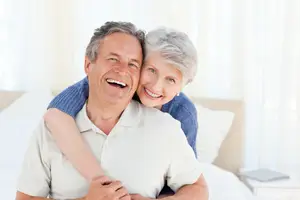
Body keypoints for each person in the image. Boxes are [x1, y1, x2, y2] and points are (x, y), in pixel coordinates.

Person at [16, 21, 208, 200]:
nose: (156, 87)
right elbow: (56, 111)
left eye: (132, 63)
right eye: (113, 59)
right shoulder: (56, 123)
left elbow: (194, 186)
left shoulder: (175, 120)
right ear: (88, 65)